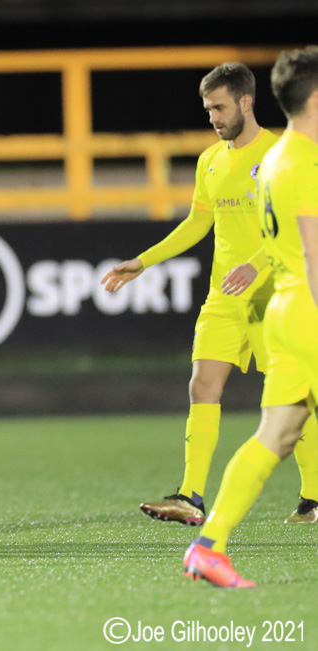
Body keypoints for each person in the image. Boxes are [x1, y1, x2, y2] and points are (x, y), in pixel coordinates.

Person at [100, 62, 318, 526]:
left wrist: (256, 264)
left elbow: (299, 226)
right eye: (207, 110)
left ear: (246, 102)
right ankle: (191, 495)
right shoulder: (210, 160)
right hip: (224, 298)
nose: (213, 118)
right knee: (202, 385)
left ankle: (313, 497)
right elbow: (198, 222)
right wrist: (144, 260)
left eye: (219, 107)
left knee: (291, 402)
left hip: (272, 296)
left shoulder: (282, 155)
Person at [182, 47, 318, 587]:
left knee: (277, 433)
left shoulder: (277, 160)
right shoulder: (301, 161)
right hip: (306, 309)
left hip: (283, 311)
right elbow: (312, 253)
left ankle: (208, 546)